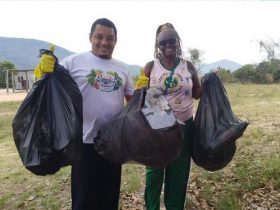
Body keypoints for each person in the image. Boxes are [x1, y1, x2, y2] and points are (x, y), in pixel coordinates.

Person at [34, 18, 134, 210]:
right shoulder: (73, 62)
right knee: (84, 200)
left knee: (109, 198)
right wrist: (43, 71)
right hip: (84, 143)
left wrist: (143, 92)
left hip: (113, 144)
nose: (104, 42)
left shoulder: (122, 68)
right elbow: (48, 84)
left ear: (115, 40)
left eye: (110, 38)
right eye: (99, 37)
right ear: (90, 37)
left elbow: (132, 102)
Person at [136, 23, 202, 210]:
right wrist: (140, 88)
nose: (168, 45)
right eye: (163, 42)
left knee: (178, 174)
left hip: (184, 126)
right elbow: (141, 97)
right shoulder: (150, 67)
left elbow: (197, 92)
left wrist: (209, 84)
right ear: (158, 44)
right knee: (154, 174)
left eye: (171, 40)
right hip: (158, 126)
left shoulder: (187, 66)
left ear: (177, 41)